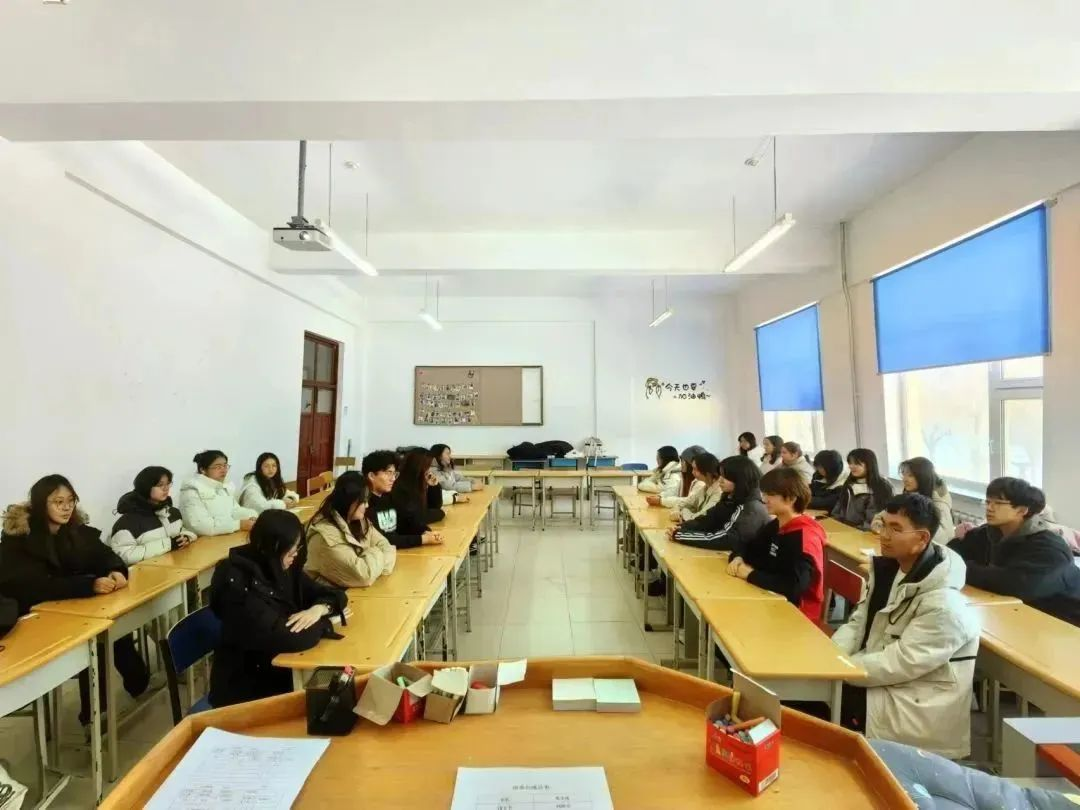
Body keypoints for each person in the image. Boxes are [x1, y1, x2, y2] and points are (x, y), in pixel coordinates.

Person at [832, 493, 980, 759]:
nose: (884, 535)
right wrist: (830, 657)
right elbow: (858, 622)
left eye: (895, 528)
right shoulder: (890, 570)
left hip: (913, 701)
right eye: (883, 525)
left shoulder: (946, 605)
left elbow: (902, 662)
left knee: (809, 705)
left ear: (922, 538)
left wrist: (840, 671)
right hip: (876, 676)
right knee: (802, 691)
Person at [0, 475, 152, 725]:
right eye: (58, 502)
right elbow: (34, 586)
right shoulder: (18, 539)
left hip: (73, 608)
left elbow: (104, 554)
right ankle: (95, 717)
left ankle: (128, 691)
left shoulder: (75, 529)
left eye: (70, 501)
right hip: (31, 618)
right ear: (40, 504)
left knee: (109, 627)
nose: (66, 507)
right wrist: (88, 585)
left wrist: (115, 570)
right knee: (95, 640)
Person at [208, 510, 347, 707]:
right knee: (331, 696)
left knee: (341, 686)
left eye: (297, 548)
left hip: (277, 671)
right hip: (246, 690)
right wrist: (325, 622)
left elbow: (335, 595)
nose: (295, 555)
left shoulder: (281, 567)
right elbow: (288, 637)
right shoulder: (237, 584)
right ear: (273, 547)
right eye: (291, 550)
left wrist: (318, 610)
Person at [949, 477, 1080, 626]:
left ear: (1022, 510)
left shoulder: (1050, 547)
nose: (989, 508)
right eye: (988, 502)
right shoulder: (989, 533)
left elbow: (1014, 584)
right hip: (1019, 612)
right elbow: (947, 556)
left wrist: (962, 567)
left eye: (998, 503)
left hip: (1066, 617)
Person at [728, 467, 826, 621]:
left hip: (797, 612)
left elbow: (794, 587)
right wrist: (738, 557)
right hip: (770, 595)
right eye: (764, 493)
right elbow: (750, 547)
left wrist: (750, 575)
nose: (764, 499)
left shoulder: (805, 538)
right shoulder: (777, 524)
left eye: (771, 494)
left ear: (791, 498)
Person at [305, 472, 396, 588]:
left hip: (354, 591)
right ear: (348, 500)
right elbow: (364, 576)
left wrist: (369, 562)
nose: (367, 505)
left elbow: (387, 546)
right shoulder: (324, 537)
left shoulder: (358, 520)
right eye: (363, 501)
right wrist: (376, 552)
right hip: (330, 596)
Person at [670, 456, 771, 555]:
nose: (720, 480)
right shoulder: (730, 498)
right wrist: (681, 528)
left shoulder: (751, 507)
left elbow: (727, 538)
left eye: (725, 477)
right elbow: (707, 520)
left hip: (743, 559)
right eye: (720, 475)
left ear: (740, 479)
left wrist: (681, 535)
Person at [110, 466, 197, 564]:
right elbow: (124, 555)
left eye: (168, 484)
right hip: (146, 572)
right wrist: (168, 544)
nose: (166, 488)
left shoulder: (173, 512)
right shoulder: (127, 523)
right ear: (146, 487)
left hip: (177, 567)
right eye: (160, 485)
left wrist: (186, 537)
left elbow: (184, 530)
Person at [363, 450, 444, 549]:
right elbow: (384, 540)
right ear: (371, 476)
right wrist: (422, 539)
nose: (393, 478)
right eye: (389, 473)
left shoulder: (388, 497)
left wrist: (426, 532)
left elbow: (406, 522)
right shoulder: (364, 504)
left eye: (394, 474)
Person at [870, 457, 954, 542]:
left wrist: (906, 535)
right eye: (904, 474)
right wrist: (879, 523)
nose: (904, 479)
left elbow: (943, 536)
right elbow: (884, 515)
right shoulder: (912, 494)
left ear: (923, 477)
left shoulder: (939, 501)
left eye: (910, 475)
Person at [179, 451, 257, 537]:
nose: (223, 470)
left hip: (225, 537)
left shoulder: (222, 488)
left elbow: (234, 511)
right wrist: (238, 525)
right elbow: (202, 526)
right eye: (218, 467)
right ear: (203, 470)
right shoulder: (191, 491)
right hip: (204, 541)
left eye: (225, 466)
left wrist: (251, 516)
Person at [830, 448, 894, 530]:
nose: (851, 466)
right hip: (845, 529)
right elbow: (837, 511)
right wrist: (836, 524)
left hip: (863, 532)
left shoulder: (880, 487)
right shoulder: (849, 484)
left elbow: (872, 521)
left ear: (869, 464)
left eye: (856, 463)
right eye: (850, 463)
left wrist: (853, 531)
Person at [671, 452, 726, 523]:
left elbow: (701, 517)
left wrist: (682, 513)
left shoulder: (719, 492)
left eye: (695, 469)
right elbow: (686, 503)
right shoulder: (706, 487)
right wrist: (680, 510)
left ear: (707, 472)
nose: (692, 472)